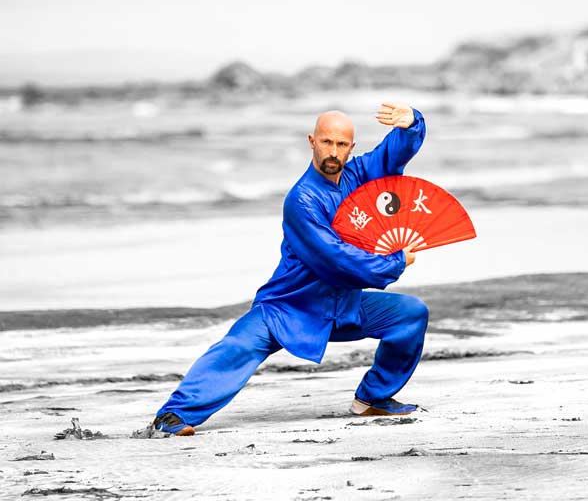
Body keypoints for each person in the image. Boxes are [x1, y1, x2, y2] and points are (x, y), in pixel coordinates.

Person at [149, 100, 429, 436]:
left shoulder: (359, 174)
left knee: (411, 314)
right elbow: (336, 258)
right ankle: (171, 416)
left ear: (351, 148)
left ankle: (374, 398)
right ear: (312, 141)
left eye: (341, 145)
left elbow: (393, 153)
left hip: (343, 304)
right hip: (289, 305)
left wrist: (412, 122)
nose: (333, 152)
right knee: (235, 348)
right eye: (327, 142)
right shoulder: (302, 199)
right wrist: (396, 261)